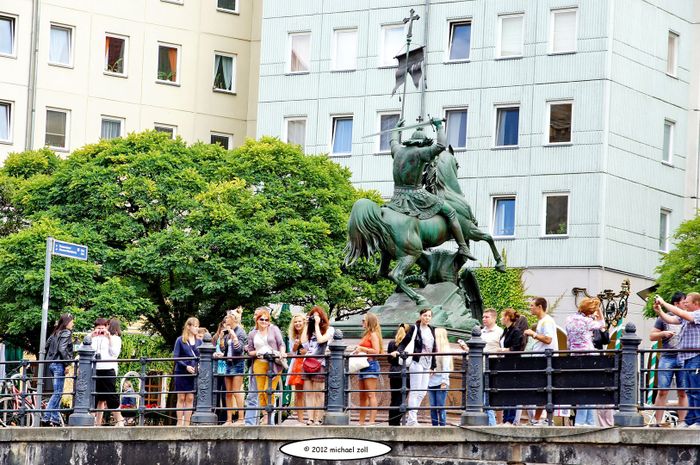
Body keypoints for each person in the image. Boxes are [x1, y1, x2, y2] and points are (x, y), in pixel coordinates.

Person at [388, 118, 475, 260]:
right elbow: (441, 145)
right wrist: (439, 126)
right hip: (416, 195)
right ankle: (463, 247)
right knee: (451, 212)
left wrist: (396, 130)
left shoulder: (397, 151)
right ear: (421, 143)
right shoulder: (420, 153)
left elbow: (393, 142)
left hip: (397, 198)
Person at [654, 292, 700, 428]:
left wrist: (663, 303)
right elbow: (671, 319)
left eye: (688, 302)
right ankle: (690, 420)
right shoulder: (687, 316)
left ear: (696, 303)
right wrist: (660, 311)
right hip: (687, 357)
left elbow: (681, 314)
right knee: (690, 390)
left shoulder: (697, 314)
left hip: (696, 357)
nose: (685, 304)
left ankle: (697, 421)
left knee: (695, 389)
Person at [392, 307, 437, 426]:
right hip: (417, 362)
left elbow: (434, 348)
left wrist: (434, 365)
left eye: (429, 316)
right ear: (420, 316)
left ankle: (413, 417)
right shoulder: (415, 328)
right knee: (415, 391)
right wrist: (399, 351)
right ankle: (412, 420)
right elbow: (405, 342)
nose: (427, 318)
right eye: (425, 315)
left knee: (422, 392)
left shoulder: (432, 329)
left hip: (427, 362)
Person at [650, 291, 688, 426]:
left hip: (683, 357)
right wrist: (663, 333)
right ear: (676, 303)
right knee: (662, 390)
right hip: (667, 357)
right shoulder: (663, 318)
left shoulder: (687, 316)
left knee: (683, 391)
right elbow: (652, 336)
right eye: (684, 302)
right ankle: (658, 422)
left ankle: (683, 422)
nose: (686, 304)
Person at [565, 297, 604, 426]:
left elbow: (568, 340)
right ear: (590, 311)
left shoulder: (569, 319)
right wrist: (599, 311)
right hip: (588, 355)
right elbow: (602, 324)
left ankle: (589, 420)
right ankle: (582, 421)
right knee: (590, 389)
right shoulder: (587, 321)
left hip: (574, 355)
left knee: (582, 388)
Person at [246, 307, 286, 424]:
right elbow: (250, 351)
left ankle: (269, 417)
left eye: (266, 320)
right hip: (259, 363)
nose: (264, 322)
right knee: (260, 392)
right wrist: (258, 353)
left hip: (274, 364)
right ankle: (266, 416)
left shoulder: (274, 329)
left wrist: (282, 352)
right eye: (262, 319)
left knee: (268, 390)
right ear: (257, 320)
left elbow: (281, 343)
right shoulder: (252, 333)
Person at [523, 297, 559, 425]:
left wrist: (532, 334)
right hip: (542, 359)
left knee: (543, 388)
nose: (530, 308)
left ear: (539, 307)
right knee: (543, 389)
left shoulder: (546, 321)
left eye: (532, 305)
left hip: (545, 359)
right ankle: (541, 419)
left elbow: (548, 339)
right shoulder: (542, 321)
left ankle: (539, 419)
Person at [301, 306, 334, 425]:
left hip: (320, 363)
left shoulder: (330, 329)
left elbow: (321, 340)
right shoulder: (310, 331)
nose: (315, 319)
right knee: (309, 392)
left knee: (319, 393)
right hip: (307, 363)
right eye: (313, 316)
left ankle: (318, 418)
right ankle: (310, 418)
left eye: (317, 316)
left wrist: (317, 324)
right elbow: (304, 344)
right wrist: (306, 325)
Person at [42, 313, 74, 427]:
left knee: (58, 392)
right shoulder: (66, 332)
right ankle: (46, 417)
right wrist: (67, 364)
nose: (73, 323)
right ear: (67, 322)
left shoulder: (55, 332)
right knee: (58, 392)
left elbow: (47, 345)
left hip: (51, 363)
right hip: (59, 364)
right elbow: (62, 348)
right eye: (72, 321)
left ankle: (55, 418)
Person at [93, 318, 124, 426]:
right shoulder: (95, 338)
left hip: (108, 369)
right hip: (96, 369)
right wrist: (92, 335)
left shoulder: (115, 338)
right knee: (98, 398)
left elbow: (114, 353)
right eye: (99, 327)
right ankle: (97, 423)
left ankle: (120, 420)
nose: (102, 329)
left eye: (104, 326)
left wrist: (109, 338)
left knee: (111, 396)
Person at [354, 312, 383, 426]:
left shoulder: (373, 335)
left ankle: (371, 421)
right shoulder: (367, 334)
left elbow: (376, 351)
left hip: (371, 365)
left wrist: (361, 348)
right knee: (362, 395)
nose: (362, 322)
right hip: (363, 365)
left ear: (369, 322)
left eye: (364, 320)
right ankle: (361, 421)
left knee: (371, 394)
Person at [219, 312, 247, 425]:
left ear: (233, 319)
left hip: (238, 363)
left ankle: (241, 419)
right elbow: (223, 350)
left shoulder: (240, 332)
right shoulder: (227, 332)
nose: (225, 320)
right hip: (228, 363)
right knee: (228, 393)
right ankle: (229, 419)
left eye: (227, 318)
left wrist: (233, 336)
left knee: (236, 391)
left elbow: (239, 349)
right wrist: (221, 339)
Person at [173, 317, 201, 426]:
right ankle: (179, 422)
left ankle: (187, 422)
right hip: (181, 371)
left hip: (193, 372)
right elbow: (176, 357)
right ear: (188, 327)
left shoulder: (199, 341)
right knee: (181, 397)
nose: (197, 328)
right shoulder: (180, 340)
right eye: (195, 326)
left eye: (198, 326)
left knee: (190, 397)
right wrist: (186, 367)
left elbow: (200, 356)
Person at [499, 308, 525, 425]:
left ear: (507, 317)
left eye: (502, 316)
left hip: (513, 364)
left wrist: (504, 350)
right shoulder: (506, 330)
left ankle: (510, 418)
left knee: (511, 391)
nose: (501, 319)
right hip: (506, 363)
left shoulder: (516, 331)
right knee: (506, 391)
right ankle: (506, 418)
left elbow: (517, 348)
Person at [479, 308, 503, 426]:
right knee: (482, 397)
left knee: (487, 397)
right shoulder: (480, 331)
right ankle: (489, 423)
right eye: (483, 317)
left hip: (492, 368)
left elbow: (502, 350)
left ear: (494, 318)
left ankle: (492, 424)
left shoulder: (499, 332)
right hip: (480, 367)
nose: (484, 319)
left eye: (487, 317)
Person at [387, 324, 411, 426]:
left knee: (394, 398)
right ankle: (396, 421)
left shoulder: (392, 343)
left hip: (393, 372)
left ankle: (392, 422)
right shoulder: (408, 344)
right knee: (401, 398)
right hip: (405, 373)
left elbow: (389, 359)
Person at [428, 328, 452, 426]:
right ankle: (434, 426)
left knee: (440, 406)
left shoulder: (444, 349)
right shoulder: (433, 349)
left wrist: (444, 381)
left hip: (441, 381)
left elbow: (446, 367)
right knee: (433, 407)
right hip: (431, 381)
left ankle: (442, 427)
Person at [286, 313, 307, 423]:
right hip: (297, 364)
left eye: (299, 321)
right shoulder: (293, 336)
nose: (297, 323)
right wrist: (295, 345)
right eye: (295, 322)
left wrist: (306, 351)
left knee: (311, 392)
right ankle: (301, 419)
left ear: (304, 322)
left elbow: (314, 348)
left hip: (309, 363)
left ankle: (313, 418)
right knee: (299, 393)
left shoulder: (309, 333)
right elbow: (292, 351)